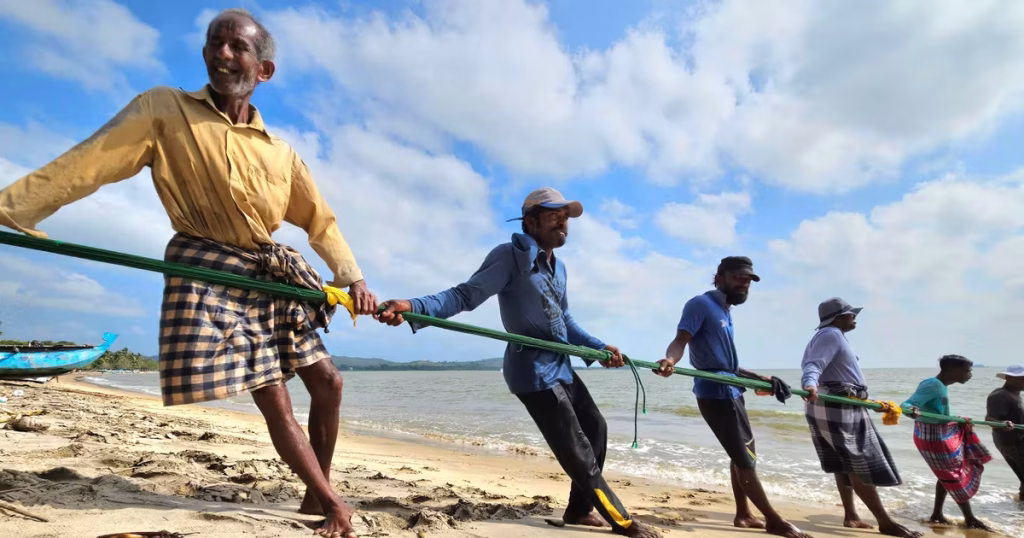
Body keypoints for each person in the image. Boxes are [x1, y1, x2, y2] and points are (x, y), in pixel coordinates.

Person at [0, 9, 374, 538]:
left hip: (267, 274)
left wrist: (352, 277)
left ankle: (316, 489)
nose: (222, 54)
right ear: (204, 54)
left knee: (329, 383)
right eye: (214, 44)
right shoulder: (165, 109)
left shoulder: (280, 152)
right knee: (271, 391)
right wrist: (9, 209)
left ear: (263, 70)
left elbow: (321, 221)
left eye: (237, 47)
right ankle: (335, 505)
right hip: (208, 270)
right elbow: (86, 162)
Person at [374, 187, 662, 538]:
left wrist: (600, 349)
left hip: (560, 365)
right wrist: (415, 306)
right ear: (530, 220)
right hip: (533, 373)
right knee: (576, 448)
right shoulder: (509, 256)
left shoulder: (558, 267)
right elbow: (465, 295)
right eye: (555, 214)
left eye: (566, 216)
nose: (563, 221)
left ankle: (579, 510)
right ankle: (621, 520)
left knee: (596, 429)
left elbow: (565, 320)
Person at [654, 257, 811, 538]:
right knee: (744, 458)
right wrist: (669, 359)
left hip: (733, 390)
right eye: (739, 278)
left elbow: (725, 364)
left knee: (745, 454)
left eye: (749, 280)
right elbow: (681, 340)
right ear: (719, 277)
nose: (745, 284)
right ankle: (773, 519)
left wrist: (758, 378)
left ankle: (743, 514)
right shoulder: (700, 304)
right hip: (715, 394)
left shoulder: (725, 310)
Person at [800, 298, 921, 538]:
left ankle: (851, 516)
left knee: (843, 462)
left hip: (836, 403)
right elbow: (814, 365)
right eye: (850, 314)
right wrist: (809, 384)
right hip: (836, 404)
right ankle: (885, 522)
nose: (854, 318)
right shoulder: (831, 335)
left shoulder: (830, 335)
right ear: (838, 317)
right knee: (858, 462)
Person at [901, 355, 993, 531]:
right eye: (967, 371)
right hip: (932, 436)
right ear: (952, 370)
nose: (970, 375)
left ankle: (937, 514)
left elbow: (936, 412)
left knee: (945, 473)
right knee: (952, 474)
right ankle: (970, 518)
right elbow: (908, 403)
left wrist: (955, 419)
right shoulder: (933, 384)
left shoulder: (941, 386)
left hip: (939, 433)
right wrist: (911, 410)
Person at [984, 365, 1023, 500]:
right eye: (1021, 379)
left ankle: (1020, 510)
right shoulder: (1000, 395)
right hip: (1011, 442)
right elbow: (989, 419)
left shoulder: (1015, 394)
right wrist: (1002, 424)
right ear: (1009, 378)